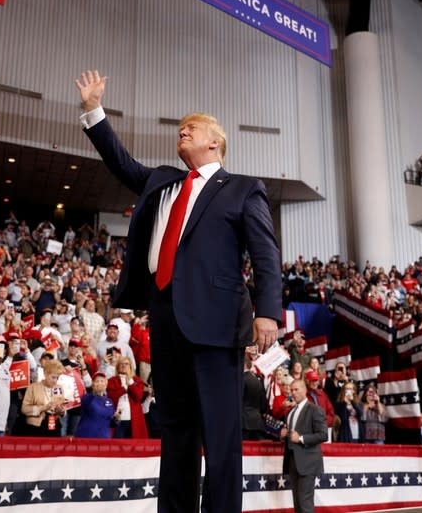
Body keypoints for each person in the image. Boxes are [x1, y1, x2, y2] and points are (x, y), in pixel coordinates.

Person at [76, 69, 281, 512]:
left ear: (215, 143)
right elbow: (122, 163)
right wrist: (94, 110)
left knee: (220, 433)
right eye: (180, 127)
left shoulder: (244, 188)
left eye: (193, 126)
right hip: (165, 316)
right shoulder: (164, 180)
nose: (182, 130)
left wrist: (268, 312)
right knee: (176, 429)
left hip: (217, 321)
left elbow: (265, 254)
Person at [279, 379, 328, 513]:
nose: (293, 393)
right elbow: (291, 436)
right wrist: (283, 436)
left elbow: (324, 435)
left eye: (297, 389)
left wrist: (300, 438)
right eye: (292, 390)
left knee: (305, 503)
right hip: (292, 462)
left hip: (308, 463)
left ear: (305, 390)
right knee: (297, 503)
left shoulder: (315, 409)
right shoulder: (290, 412)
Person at [20, 359, 65, 436]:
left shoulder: (59, 388)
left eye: (57, 378)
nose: (55, 381)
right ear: (45, 374)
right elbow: (24, 409)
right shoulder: (33, 387)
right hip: (36, 427)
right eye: (53, 377)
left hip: (54, 425)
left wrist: (61, 411)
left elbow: (62, 407)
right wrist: (43, 408)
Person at [106, 356, 148, 438]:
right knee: (117, 446)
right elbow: (111, 398)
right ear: (117, 367)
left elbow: (138, 397)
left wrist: (131, 382)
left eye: (126, 364)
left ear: (130, 367)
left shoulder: (137, 381)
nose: (124, 366)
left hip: (134, 419)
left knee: (133, 446)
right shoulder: (112, 380)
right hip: (117, 419)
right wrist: (124, 389)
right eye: (121, 364)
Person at [75, 371, 117, 438]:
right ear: (93, 384)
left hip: (104, 438)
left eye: (102, 381)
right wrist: (95, 393)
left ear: (106, 384)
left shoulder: (110, 401)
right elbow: (86, 403)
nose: (99, 383)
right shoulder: (87, 397)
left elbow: (111, 423)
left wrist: (116, 419)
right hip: (86, 438)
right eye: (97, 381)